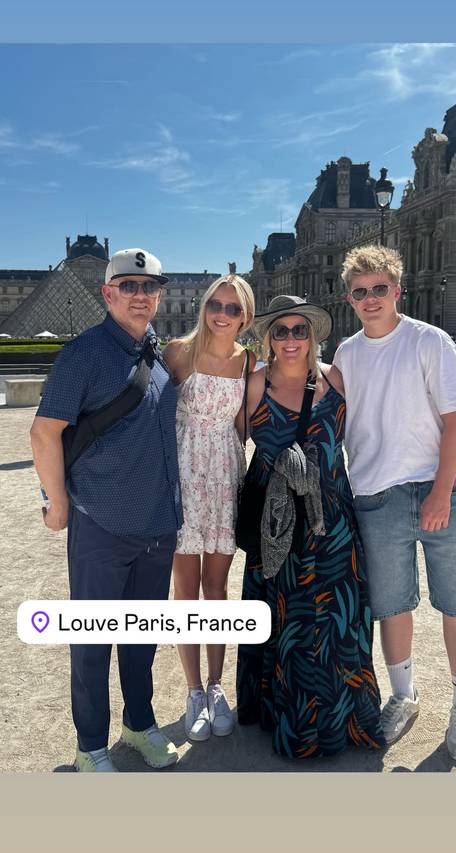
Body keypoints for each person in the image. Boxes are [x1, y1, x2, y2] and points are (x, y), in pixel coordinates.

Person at [30, 248, 183, 772]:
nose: (141, 295)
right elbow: (44, 431)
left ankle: (139, 725)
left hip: (159, 525)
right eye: (130, 285)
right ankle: (90, 745)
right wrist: (57, 500)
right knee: (93, 642)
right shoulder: (84, 353)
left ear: (159, 294)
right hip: (103, 523)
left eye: (150, 286)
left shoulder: (159, 355)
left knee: (142, 641)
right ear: (108, 292)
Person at [334, 244, 456, 762]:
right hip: (375, 495)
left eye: (379, 289)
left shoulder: (429, 340)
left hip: (434, 487)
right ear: (349, 298)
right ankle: (404, 695)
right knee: (392, 606)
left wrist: (441, 490)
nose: (370, 299)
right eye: (360, 292)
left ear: (397, 289)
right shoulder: (347, 354)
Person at [236, 295, 384, 759]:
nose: (291, 339)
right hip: (279, 521)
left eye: (301, 330)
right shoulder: (255, 383)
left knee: (341, 618)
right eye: (281, 331)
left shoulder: (334, 377)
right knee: (290, 621)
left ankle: (347, 721)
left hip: (333, 515)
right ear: (268, 339)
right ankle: (293, 722)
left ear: (314, 336)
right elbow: (224, 440)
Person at [163, 273, 255, 742]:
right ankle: (193, 690)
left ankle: (217, 686)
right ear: (204, 306)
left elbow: (244, 429)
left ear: (245, 316)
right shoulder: (177, 351)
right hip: (181, 477)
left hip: (223, 477)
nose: (222, 313)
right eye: (216, 304)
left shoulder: (249, 361)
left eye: (233, 308)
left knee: (217, 589)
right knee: (186, 589)